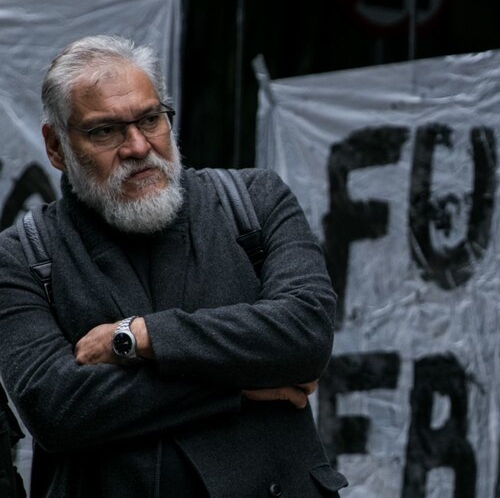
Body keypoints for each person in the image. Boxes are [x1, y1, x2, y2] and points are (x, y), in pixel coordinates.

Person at [0, 35, 347, 497]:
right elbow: (58, 410)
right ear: (57, 147)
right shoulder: (21, 255)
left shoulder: (255, 201)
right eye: (105, 131)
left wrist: (138, 337)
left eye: (150, 119)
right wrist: (238, 385)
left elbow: (305, 333)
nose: (139, 146)